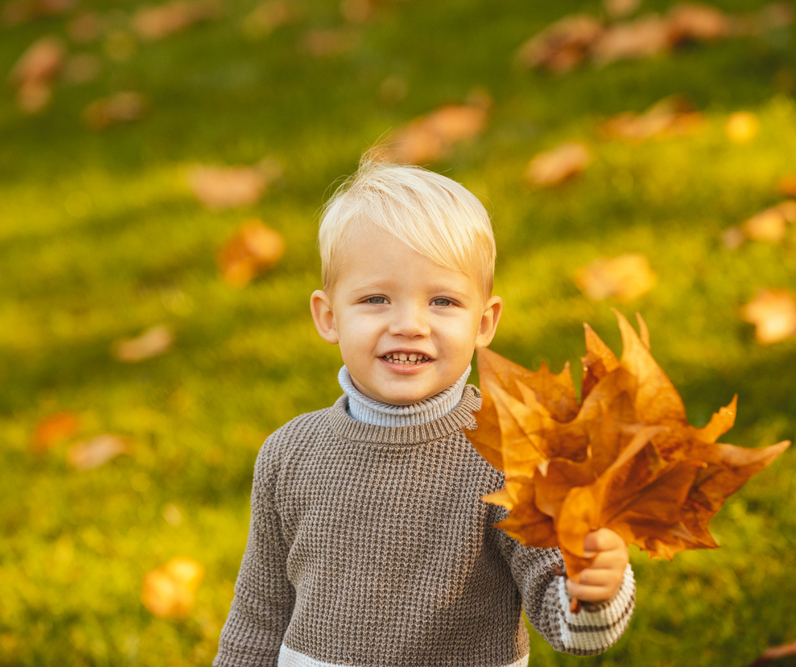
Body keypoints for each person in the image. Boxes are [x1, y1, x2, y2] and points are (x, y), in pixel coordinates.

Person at [214, 159, 634, 667]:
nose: (409, 324)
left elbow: (569, 627)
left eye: (442, 301)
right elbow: (259, 614)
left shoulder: (510, 453)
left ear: (484, 322)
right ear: (328, 317)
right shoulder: (289, 453)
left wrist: (593, 589)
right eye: (375, 299)